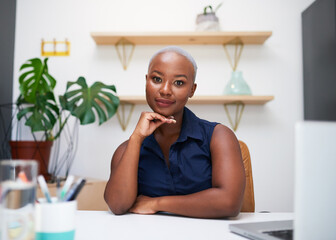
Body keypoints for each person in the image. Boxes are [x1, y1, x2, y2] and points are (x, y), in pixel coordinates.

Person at [104, 46, 246, 218]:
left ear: (192, 90)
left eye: (178, 82)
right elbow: (117, 205)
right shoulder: (127, 149)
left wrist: (156, 203)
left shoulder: (219, 136)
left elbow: (229, 203)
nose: (165, 90)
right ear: (146, 81)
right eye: (157, 79)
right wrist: (136, 138)